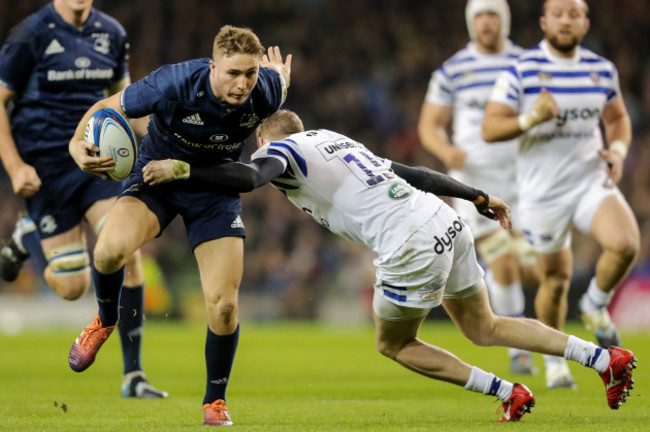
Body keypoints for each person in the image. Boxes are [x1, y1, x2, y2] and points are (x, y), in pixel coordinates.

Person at [143, 109, 637, 422]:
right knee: (485, 326)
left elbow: (251, 176)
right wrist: (478, 197)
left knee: (392, 343)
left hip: (409, 243)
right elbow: (415, 173)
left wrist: (184, 168)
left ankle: (508, 391)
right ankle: (604, 359)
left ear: (271, 142)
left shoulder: (281, 152)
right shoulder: (338, 141)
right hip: (446, 221)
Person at [66, 24, 291, 426]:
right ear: (212, 66)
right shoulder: (172, 82)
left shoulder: (268, 89)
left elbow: (277, 85)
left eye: (251, 73)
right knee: (108, 250)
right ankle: (105, 320)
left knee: (223, 305)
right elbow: (108, 107)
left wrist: (277, 79)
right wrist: (75, 145)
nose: (243, 84)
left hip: (212, 189)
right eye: (233, 73)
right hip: (156, 177)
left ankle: (215, 402)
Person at [0, 0, 167, 398]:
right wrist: (15, 168)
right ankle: (29, 235)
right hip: (46, 170)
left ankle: (134, 376)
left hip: (98, 161)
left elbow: (126, 101)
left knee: (125, 250)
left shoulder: (112, 33)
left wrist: (165, 143)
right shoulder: (30, 34)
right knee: (72, 287)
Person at [482, 0, 639, 389]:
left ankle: (595, 307)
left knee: (625, 244)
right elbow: (490, 127)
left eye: (574, 14)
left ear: (585, 23)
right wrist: (531, 117)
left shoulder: (600, 69)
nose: (566, 20)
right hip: (542, 193)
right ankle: (556, 362)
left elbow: (617, 119)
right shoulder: (522, 70)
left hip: (588, 180)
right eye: (559, 14)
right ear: (544, 22)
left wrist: (617, 152)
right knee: (555, 279)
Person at [417, 0, 539, 376]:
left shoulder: (526, 64)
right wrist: (446, 150)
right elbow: (429, 124)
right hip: (474, 184)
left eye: (493, 16)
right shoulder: (454, 69)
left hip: (522, 179)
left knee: (531, 267)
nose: (487, 23)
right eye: (481, 16)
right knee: (505, 262)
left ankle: (480, 273)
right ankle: (519, 351)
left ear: (504, 21)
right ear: (472, 22)